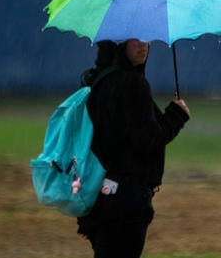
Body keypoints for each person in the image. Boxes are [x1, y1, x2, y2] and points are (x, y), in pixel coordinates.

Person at [77, 39, 190, 258]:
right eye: (136, 40)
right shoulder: (132, 84)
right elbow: (148, 138)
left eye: (147, 39)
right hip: (126, 200)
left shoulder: (97, 80)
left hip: (99, 192)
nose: (144, 45)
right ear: (120, 44)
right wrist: (177, 115)